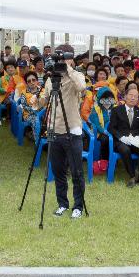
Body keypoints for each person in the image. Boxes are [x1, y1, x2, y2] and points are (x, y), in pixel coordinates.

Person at [39, 44, 88, 218]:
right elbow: (43, 101)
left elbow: (82, 87)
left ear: (70, 59)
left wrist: (67, 69)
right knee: (58, 170)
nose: (60, 62)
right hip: (54, 129)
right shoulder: (51, 79)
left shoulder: (76, 75)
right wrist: (34, 101)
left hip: (72, 129)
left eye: (64, 58)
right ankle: (62, 203)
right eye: (59, 59)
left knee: (76, 171)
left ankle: (78, 206)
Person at [108, 82, 139, 186]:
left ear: (138, 99)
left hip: (136, 140)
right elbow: (111, 128)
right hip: (122, 140)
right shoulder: (116, 110)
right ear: (125, 96)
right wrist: (121, 137)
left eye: (136, 96)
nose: (133, 98)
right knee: (125, 150)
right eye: (131, 95)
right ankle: (132, 176)